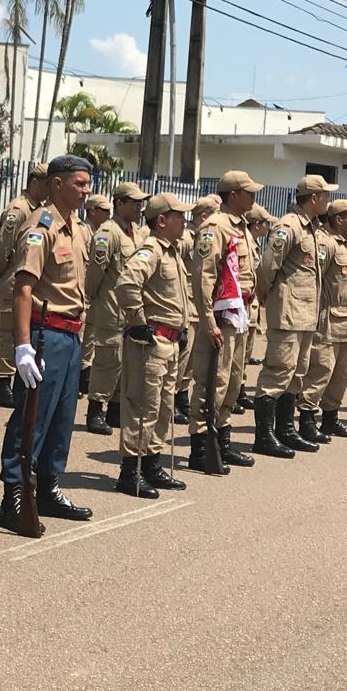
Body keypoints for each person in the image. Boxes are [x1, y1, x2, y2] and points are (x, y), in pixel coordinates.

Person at [0, 154, 94, 532]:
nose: (86, 191)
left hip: (70, 335)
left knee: (61, 420)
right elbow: (24, 288)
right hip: (45, 334)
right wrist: (22, 346)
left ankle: (49, 487)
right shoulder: (42, 227)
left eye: (87, 184)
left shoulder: (79, 228)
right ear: (57, 184)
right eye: (79, 184)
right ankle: (15, 496)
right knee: (30, 419)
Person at [113, 193, 193, 498]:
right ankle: (130, 471)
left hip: (169, 342)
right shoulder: (151, 250)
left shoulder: (171, 251)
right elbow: (127, 284)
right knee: (142, 406)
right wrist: (137, 323)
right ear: (162, 220)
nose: (184, 221)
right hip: (151, 342)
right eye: (179, 216)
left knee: (162, 407)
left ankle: (151, 464)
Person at [253, 175, 332, 457]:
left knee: (297, 374)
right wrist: (266, 296)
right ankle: (264, 436)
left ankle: (286, 431)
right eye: (325, 195)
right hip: (288, 312)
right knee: (278, 372)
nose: (327, 200)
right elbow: (267, 267)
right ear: (313, 198)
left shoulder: (310, 228)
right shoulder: (289, 226)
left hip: (305, 313)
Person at [188, 171, 261, 471]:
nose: (254, 195)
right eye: (249, 191)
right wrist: (208, 321)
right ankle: (201, 446)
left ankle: (223, 441)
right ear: (234, 195)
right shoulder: (215, 227)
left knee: (232, 380)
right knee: (210, 381)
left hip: (238, 316)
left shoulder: (240, 227)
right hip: (220, 317)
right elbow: (203, 278)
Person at [84, 181, 149, 435]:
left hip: (129, 309)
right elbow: (95, 273)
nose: (139, 207)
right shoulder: (107, 233)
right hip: (110, 307)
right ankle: (95, 409)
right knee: (107, 360)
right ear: (119, 203)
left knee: (126, 361)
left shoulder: (136, 232)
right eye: (134, 203)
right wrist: (91, 299)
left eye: (141, 203)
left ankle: (114, 408)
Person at [297, 200, 347, 441]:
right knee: (321, 371)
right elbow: (314, 282)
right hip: (329, 321)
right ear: (339, 219)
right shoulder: (325, 244)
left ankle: (330, 419)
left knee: (342, 374)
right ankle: (306, 420)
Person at [0, 161, 48, 408]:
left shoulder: (41, 210)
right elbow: (3, 246)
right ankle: (4, 383)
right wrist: (2, 274)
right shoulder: (19, 209)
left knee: (21, 331)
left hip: (28, 280)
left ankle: (17, 382)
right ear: (34, 183)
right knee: (8, 332)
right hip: (13, 278)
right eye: (46, 184)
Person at [174, 194, 220, 425]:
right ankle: (174, 398)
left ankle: (182, 397)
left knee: (192, 360)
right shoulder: (184, 237)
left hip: (198, 304)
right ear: (204, 216)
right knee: (182, 357)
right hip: (187, 303)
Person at [236, 203, 277, 412]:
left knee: (246, 350)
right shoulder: (243, 243)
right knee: (237, 353)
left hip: (250, 305)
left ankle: (240, 389)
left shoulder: (253, 244)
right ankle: (234, 392)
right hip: (241, 305)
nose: (267, 227)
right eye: (265, 223)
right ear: (256, 225)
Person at [79, 193, 113, 396]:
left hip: (93, 292)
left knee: (90, 337)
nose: (109, 214)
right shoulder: (85, 231)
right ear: (92, 211)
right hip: (84, 290)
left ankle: (84, 377)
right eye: (105, 211)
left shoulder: (100, 231)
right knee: (83, 336)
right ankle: (80, 376)